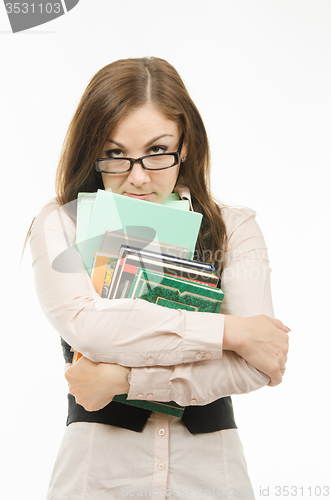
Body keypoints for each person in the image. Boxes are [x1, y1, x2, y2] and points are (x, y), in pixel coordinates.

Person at [30, 57, 289, 500]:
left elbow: (254, 365)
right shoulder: (63, 223)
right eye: (114, 154)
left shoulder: (234, 227)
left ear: (185, 144)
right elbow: (88, 328)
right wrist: (231, 330)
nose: (137, 177)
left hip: (212, 478)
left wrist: (126, 381)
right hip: (97, 478)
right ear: (93, 151)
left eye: (157, 151)